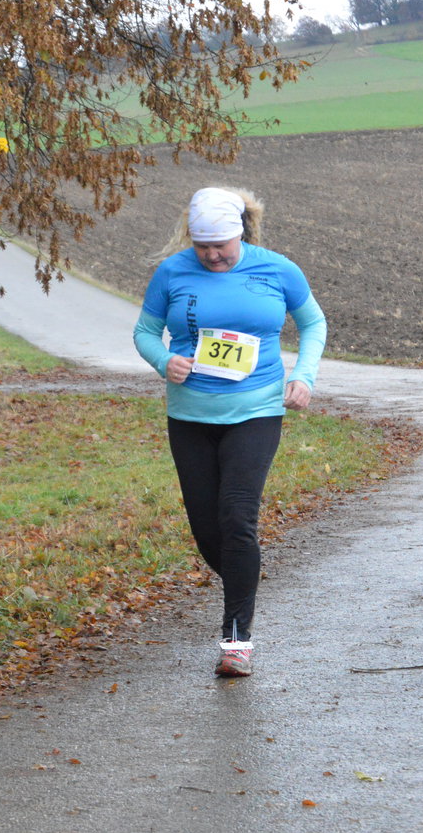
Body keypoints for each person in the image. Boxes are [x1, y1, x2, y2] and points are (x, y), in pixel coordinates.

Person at [133, 186, 326, 677]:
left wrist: (303, 376)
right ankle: (244, 579)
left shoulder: (277, 269)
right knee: (207, 531)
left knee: (237, 518)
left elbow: (313, 323)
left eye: (221, 246)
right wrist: (164, 360)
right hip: (190, 416)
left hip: (256, 410)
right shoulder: (173, 271)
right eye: (203, 247)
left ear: (240, 234)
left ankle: (236, 640)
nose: (213, 256)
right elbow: (145, 331)